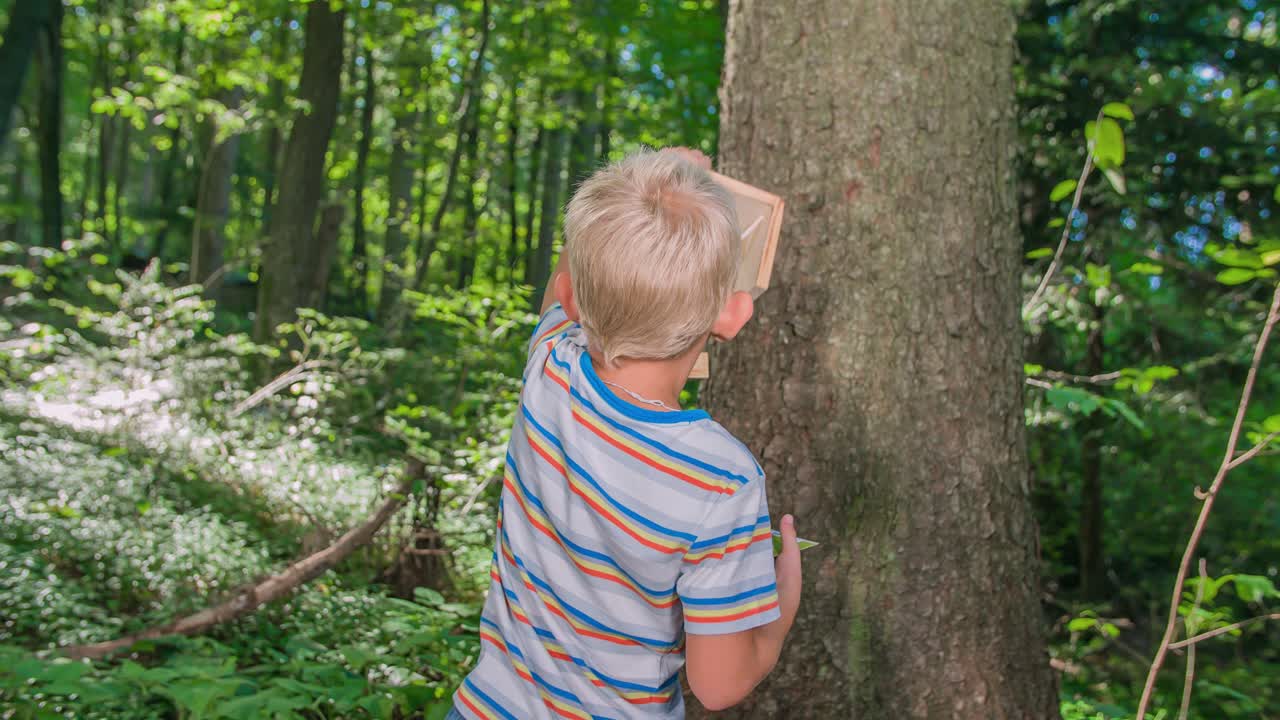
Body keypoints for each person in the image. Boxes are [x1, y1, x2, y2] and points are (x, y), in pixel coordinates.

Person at [448, 147, 802, 720]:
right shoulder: (722, 479)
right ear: (734, 314)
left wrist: (646, 175)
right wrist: (779, 611)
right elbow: (719, 684)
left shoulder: (550, 374)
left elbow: (568, 280)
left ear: (570, 301)